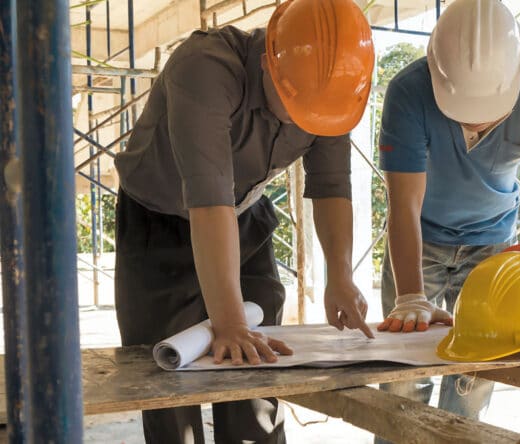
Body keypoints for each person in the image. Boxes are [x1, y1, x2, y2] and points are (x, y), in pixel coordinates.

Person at [113, 0, 375, 442]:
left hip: (242, 211)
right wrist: (229, 321)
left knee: (258, 369)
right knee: (166, 380)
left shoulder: (335, 89)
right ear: (269, 61)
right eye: (295, 105)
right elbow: (207, 196)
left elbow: (331, 187)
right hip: (157, 221)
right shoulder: (205, 67)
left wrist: (341, 277)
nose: (303, 121)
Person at [374, 0, 520, 438]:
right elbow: (403, 203)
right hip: (419, 241)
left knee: (475, 379)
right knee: (404, 377)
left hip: (492, 244)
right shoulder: (408, 92)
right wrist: (410, 296)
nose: (477, 121)